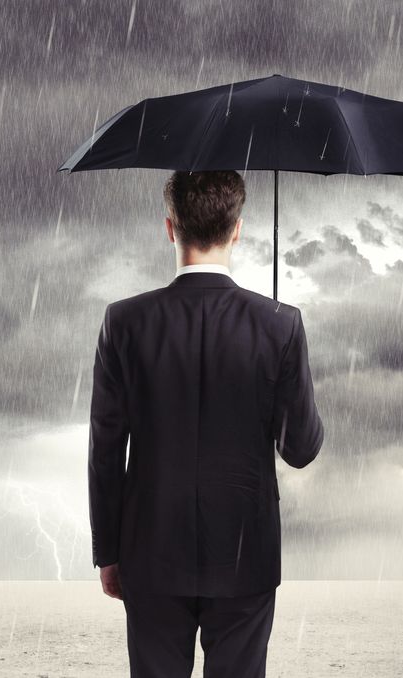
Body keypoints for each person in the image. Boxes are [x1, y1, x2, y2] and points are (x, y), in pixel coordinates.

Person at [88, 169, 324, 677]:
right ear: (237, 229)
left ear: (170, 227)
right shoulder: (280, 323)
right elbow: (300, 447)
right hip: (244, 551)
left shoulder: (124, 321)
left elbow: (106, 451)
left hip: (150, 549)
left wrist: (108, 551)